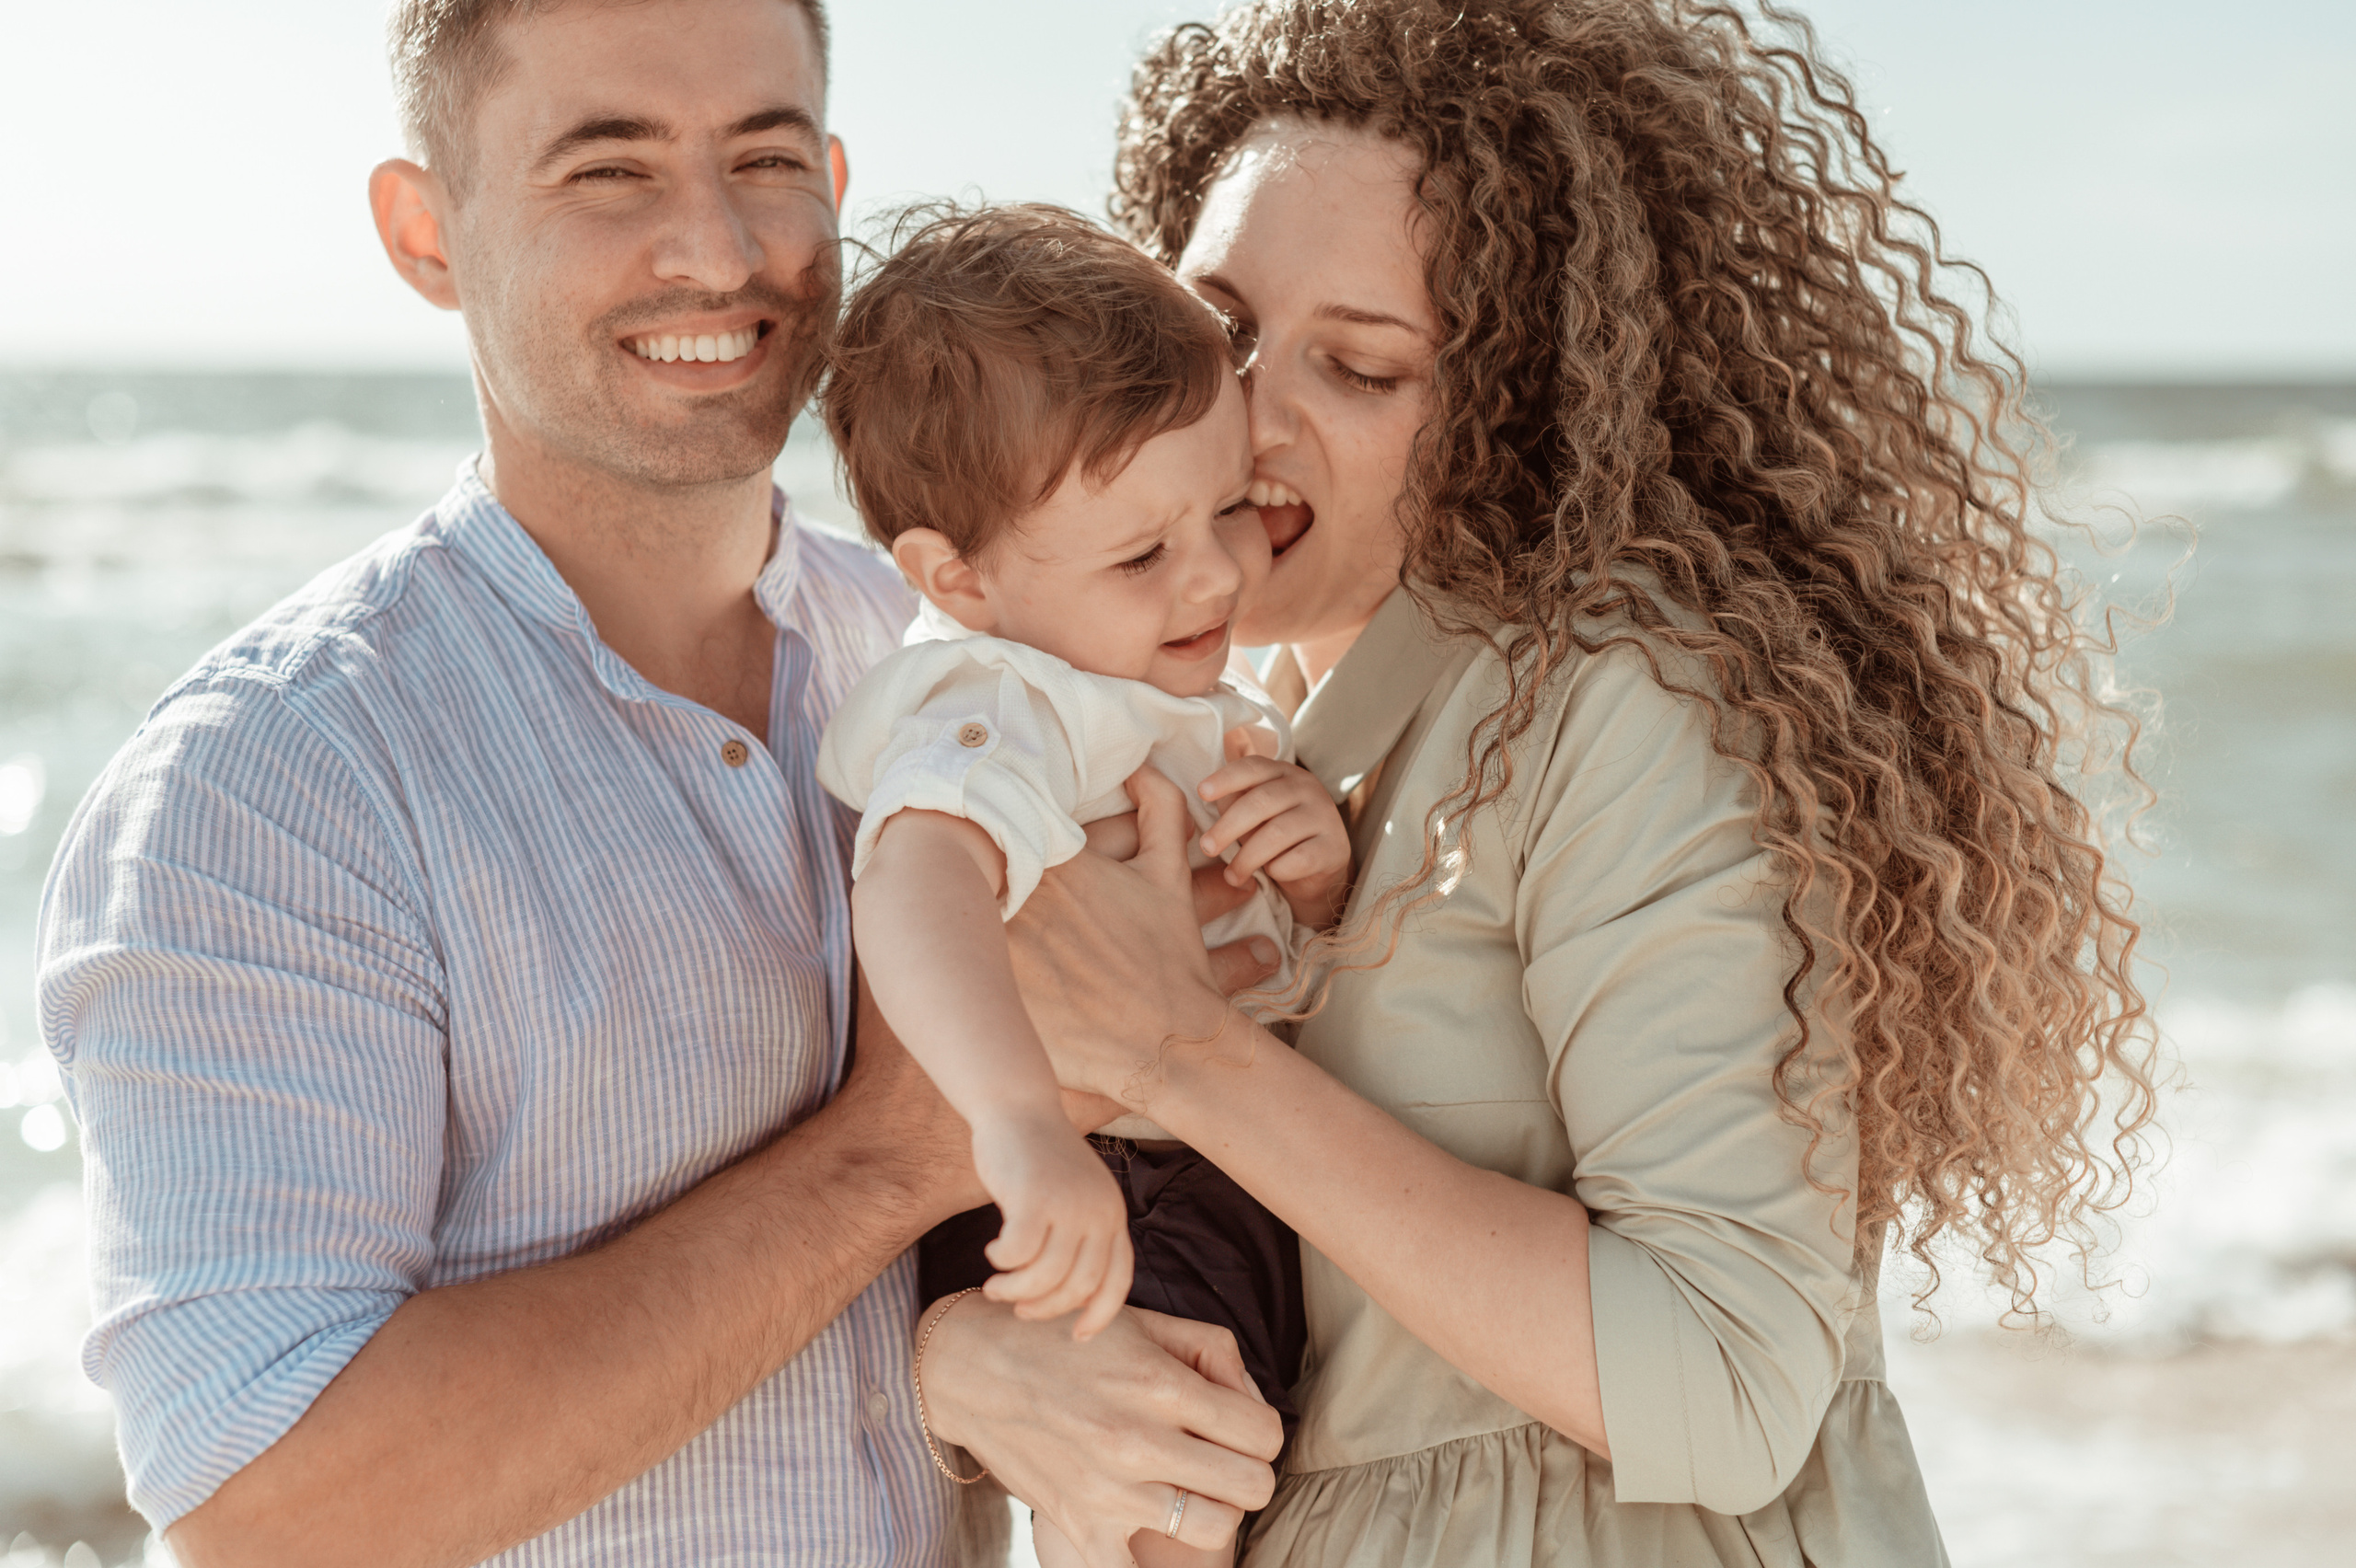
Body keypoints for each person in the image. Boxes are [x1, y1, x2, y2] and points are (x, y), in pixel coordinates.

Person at [33, 2, 1283, 1563]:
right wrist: (898, 1155)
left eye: (765, 159)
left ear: (830, 182)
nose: (716, 249)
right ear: (428, 232)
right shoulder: (269, 789)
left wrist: (955, 1358)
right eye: (608, 170)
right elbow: (268, 1508)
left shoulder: (981, 652)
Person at [913, 2, 2159, 1563]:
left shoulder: (1617, 700)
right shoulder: (1210, 734)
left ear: (1522, 408)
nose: (1251, 417)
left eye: (1360, 369)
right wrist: (956, 1362)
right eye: (1223, 328)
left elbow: (1728, 1378)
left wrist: (1185, 1059)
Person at [816, 202, 1341, 1566]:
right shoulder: (1002, 702)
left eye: (1226, 508)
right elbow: (916, 882)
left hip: (1208, 1157)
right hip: (1107, 1175)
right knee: (1166, 1482)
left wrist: (1313, 867)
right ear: (960, 577)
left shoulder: (1132, 678)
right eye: (1142, 554)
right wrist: (1018, 1124)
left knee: (1208, 1474)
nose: (1216, 570)